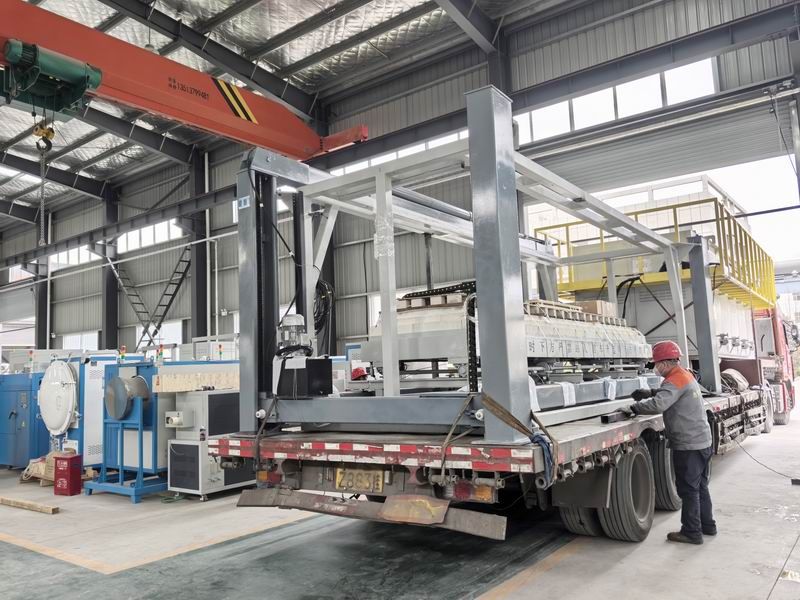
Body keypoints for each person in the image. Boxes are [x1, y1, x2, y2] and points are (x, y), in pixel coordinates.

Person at [626, 340, 716, 545]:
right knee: (700, 486)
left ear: (665, 363)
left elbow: (659, 405)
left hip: (689, 445)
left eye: (656, 364)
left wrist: (634, 408)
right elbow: (673, 394)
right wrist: (650, 392)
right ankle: (707, 525)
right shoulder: (684, 375)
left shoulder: (674, 380)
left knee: (688, 490)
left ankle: (692, 532)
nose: (655, 368)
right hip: (702, 441)